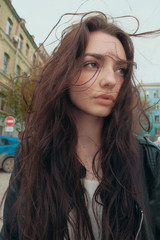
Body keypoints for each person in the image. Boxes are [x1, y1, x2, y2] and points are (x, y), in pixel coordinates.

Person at [0, 11, 160, 240]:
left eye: (120, 69)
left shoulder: (148, 160)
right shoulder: (32, 154)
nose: (111, 80)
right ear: (64, 72)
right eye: (92, 64)